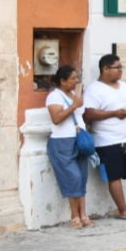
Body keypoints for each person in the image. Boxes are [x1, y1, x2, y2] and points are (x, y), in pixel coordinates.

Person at [82, 53, 126, 221]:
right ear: (105, 69)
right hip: (107, 140)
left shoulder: (123, 86)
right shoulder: (94, 89)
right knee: (114, 175)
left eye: (121, 67)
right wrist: (114, 113)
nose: (120, 71)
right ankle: (123, 210)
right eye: (117, 68)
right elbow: (88, 113)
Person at [45, 65, 91, 229]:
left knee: (82, 176)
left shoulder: (75, 94)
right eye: (73, 78)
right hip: (62, 141)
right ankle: (75, 216)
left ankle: (84, 214)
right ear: (62, 81)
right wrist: (74, 105)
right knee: (73, 177)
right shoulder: (54, 96)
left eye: (77, 78)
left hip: (79, 139)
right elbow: (56, 119)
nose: (76, 81)